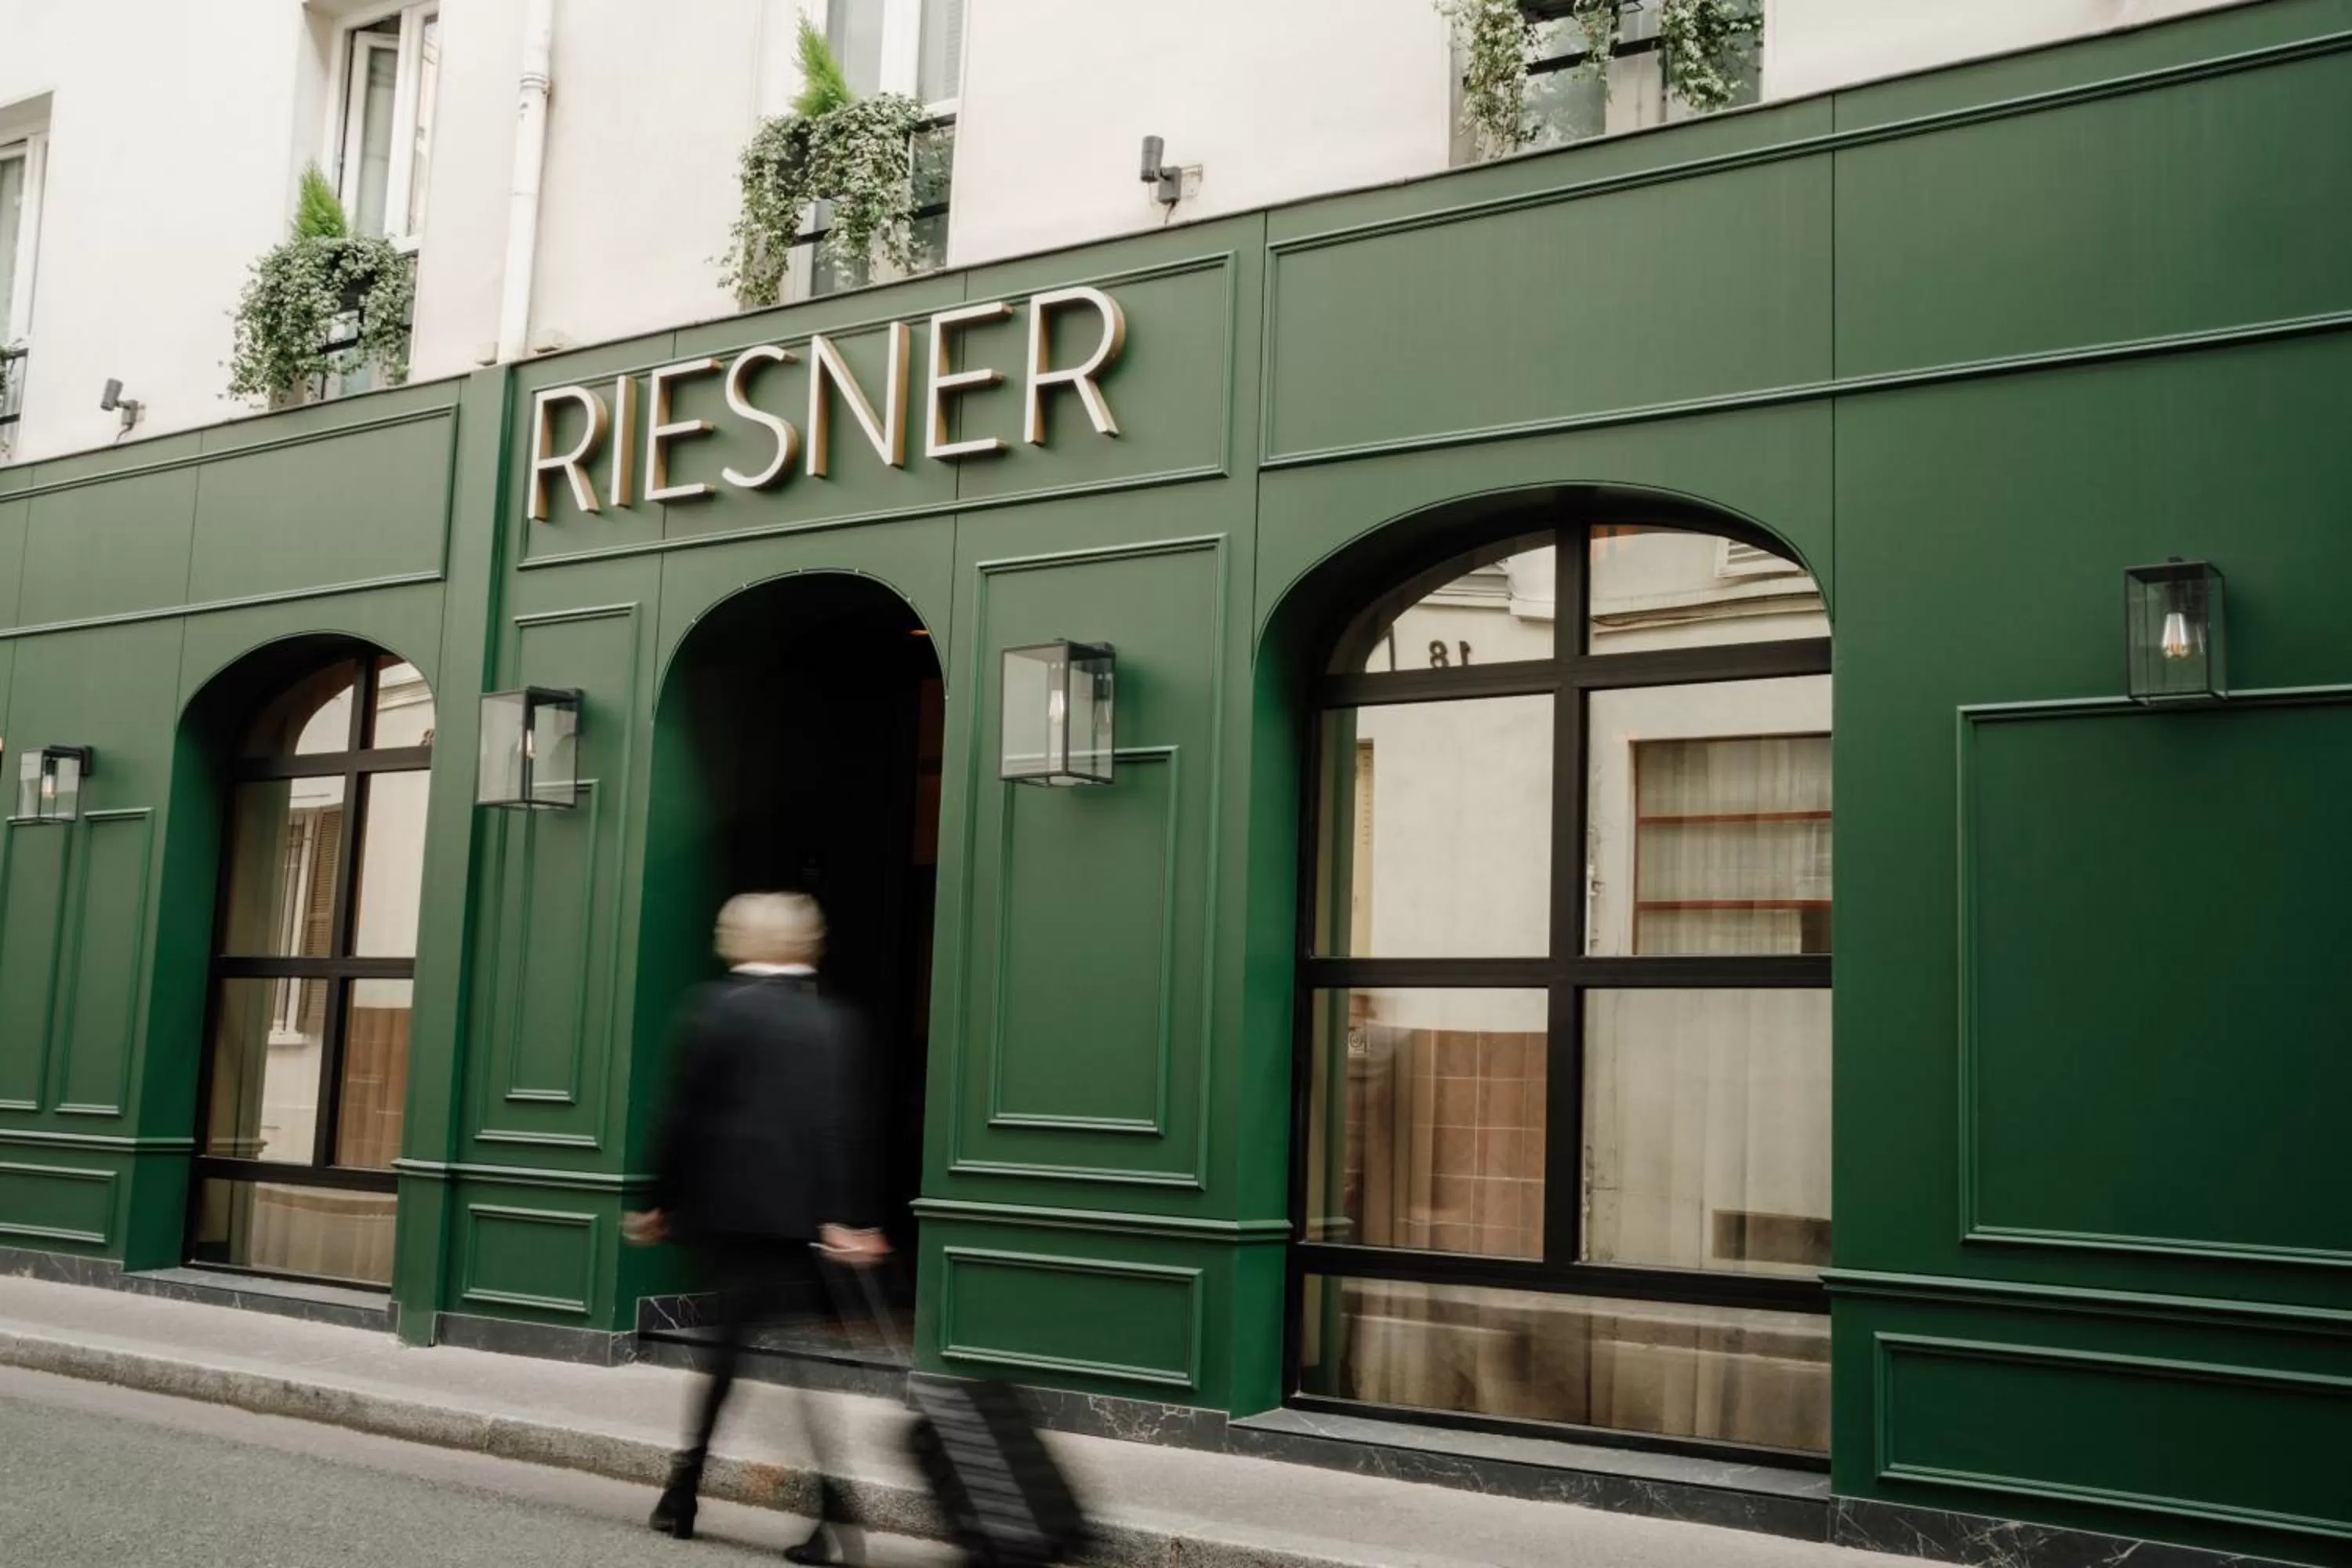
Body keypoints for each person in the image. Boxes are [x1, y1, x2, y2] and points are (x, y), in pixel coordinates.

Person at [624, 891, 889, 1566]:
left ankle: (687, 1493)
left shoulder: (718, 1010)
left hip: (729, 1214)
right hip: (794, 1219)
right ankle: (815, 1509)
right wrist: (845, 1217)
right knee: (780, 1361)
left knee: (730, 1357)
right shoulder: (834, 1021)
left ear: (742, 939)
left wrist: (658, 1199)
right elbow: (843, 1127)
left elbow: (678, 1115)